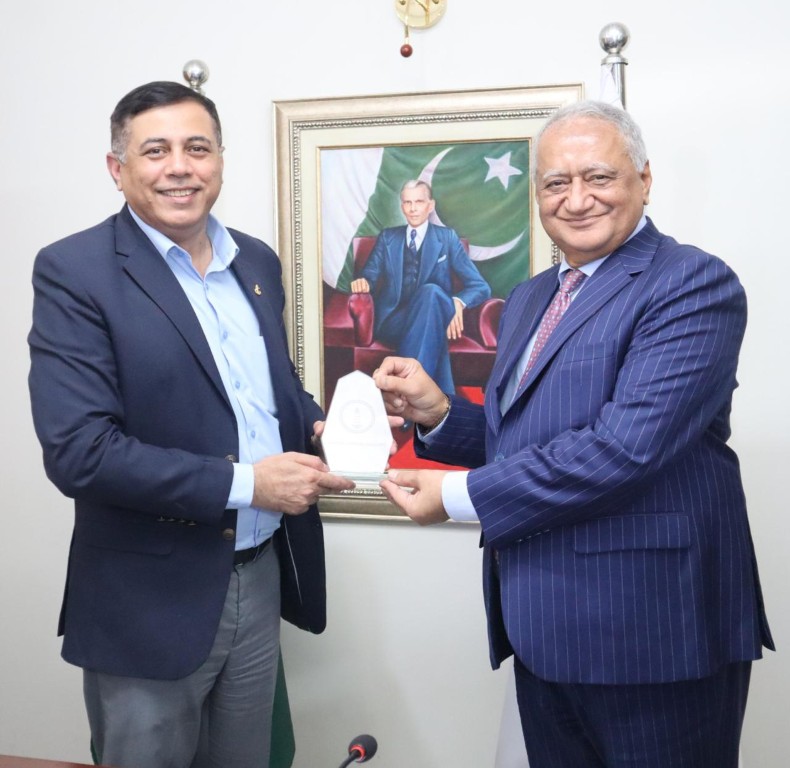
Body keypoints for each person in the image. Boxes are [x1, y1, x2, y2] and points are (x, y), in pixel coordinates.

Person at [373, 101, 773, 767]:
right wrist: (438, 411)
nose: (577, 199)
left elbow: (624, 448)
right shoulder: (532, 297)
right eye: (556, 183)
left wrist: (458, 498)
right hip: (541, 628)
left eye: (599, 177)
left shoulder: (691, 283)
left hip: (655, 632)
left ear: (644, 180)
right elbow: (525, 435)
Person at [27, 81, 354, 768]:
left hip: (260, 573)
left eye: (197, 148)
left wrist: (335, 424)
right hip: (148, 599)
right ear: (118, 169)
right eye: (156, 150)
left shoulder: (254, 261)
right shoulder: (75, 271)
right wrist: (251, 484)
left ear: (220, 161)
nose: (180, 167)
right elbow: (81, 452)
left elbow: (270, 393)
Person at [349, 179, 490, 394]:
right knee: (431, 313)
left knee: (430, 293)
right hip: (394, 320)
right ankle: (440, 396)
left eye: (419, 202)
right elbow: (370, 275)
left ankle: (409, 391)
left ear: (430, 205)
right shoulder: (388, 238)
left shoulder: (447, 238)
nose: (413, 208)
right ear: (402, 206)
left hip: (434, 312)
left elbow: (480, 286)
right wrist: (363, 282)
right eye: (408, 202)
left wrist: (458, 302)